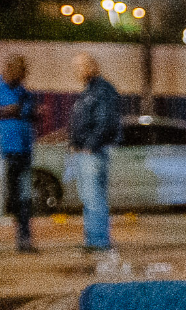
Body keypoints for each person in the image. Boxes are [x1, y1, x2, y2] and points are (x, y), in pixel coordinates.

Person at [68, 54, 122, 254]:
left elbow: (106, 121)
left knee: (94, 197)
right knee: (89, 196)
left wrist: (90, 145)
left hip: (93, 152)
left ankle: (98, 240)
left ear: (90, 67)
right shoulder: (91, 90)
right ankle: (93, 238)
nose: (77, 72)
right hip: (86, 151)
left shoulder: (101, 90)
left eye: (80, 67)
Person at [0, 55, 38, 253]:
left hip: (23, 152)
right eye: (17, 71)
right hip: (3, 151)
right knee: (0, 196)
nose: (20, 75)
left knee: (24, 199)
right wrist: (7, 111)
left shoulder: (24, 92)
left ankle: (24, 240)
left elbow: (26, 113)